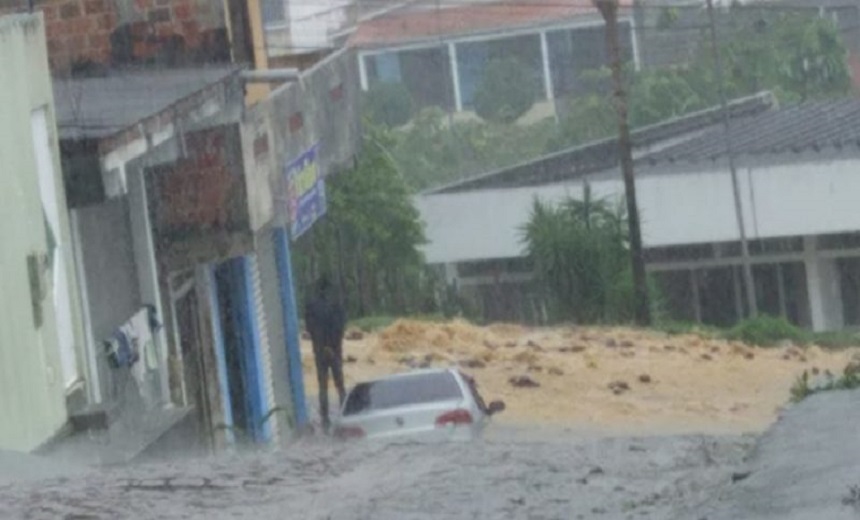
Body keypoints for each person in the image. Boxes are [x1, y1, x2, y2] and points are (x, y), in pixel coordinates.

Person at [304, 275, 347, 432]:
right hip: (335, 349)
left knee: (323, 386)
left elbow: (310, 328)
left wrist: (322, 345)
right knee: (340, 384)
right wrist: (332, 346)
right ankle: (345, 414)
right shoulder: (337, 305)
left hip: (320, 350)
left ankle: (324, 419)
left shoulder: (311, 306)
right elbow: (340, 327)